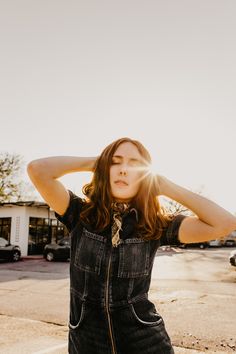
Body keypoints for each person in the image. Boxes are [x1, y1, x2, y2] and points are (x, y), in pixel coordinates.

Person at [27, 137, 236, 354]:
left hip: (146, 343)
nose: (123, 170)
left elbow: (225, 223)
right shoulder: (80, 214)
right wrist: (99, 162)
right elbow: (37, 169)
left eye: (134, 164)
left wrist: (165, 186)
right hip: (87, 344)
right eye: (116, 162)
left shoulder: (155, 224)